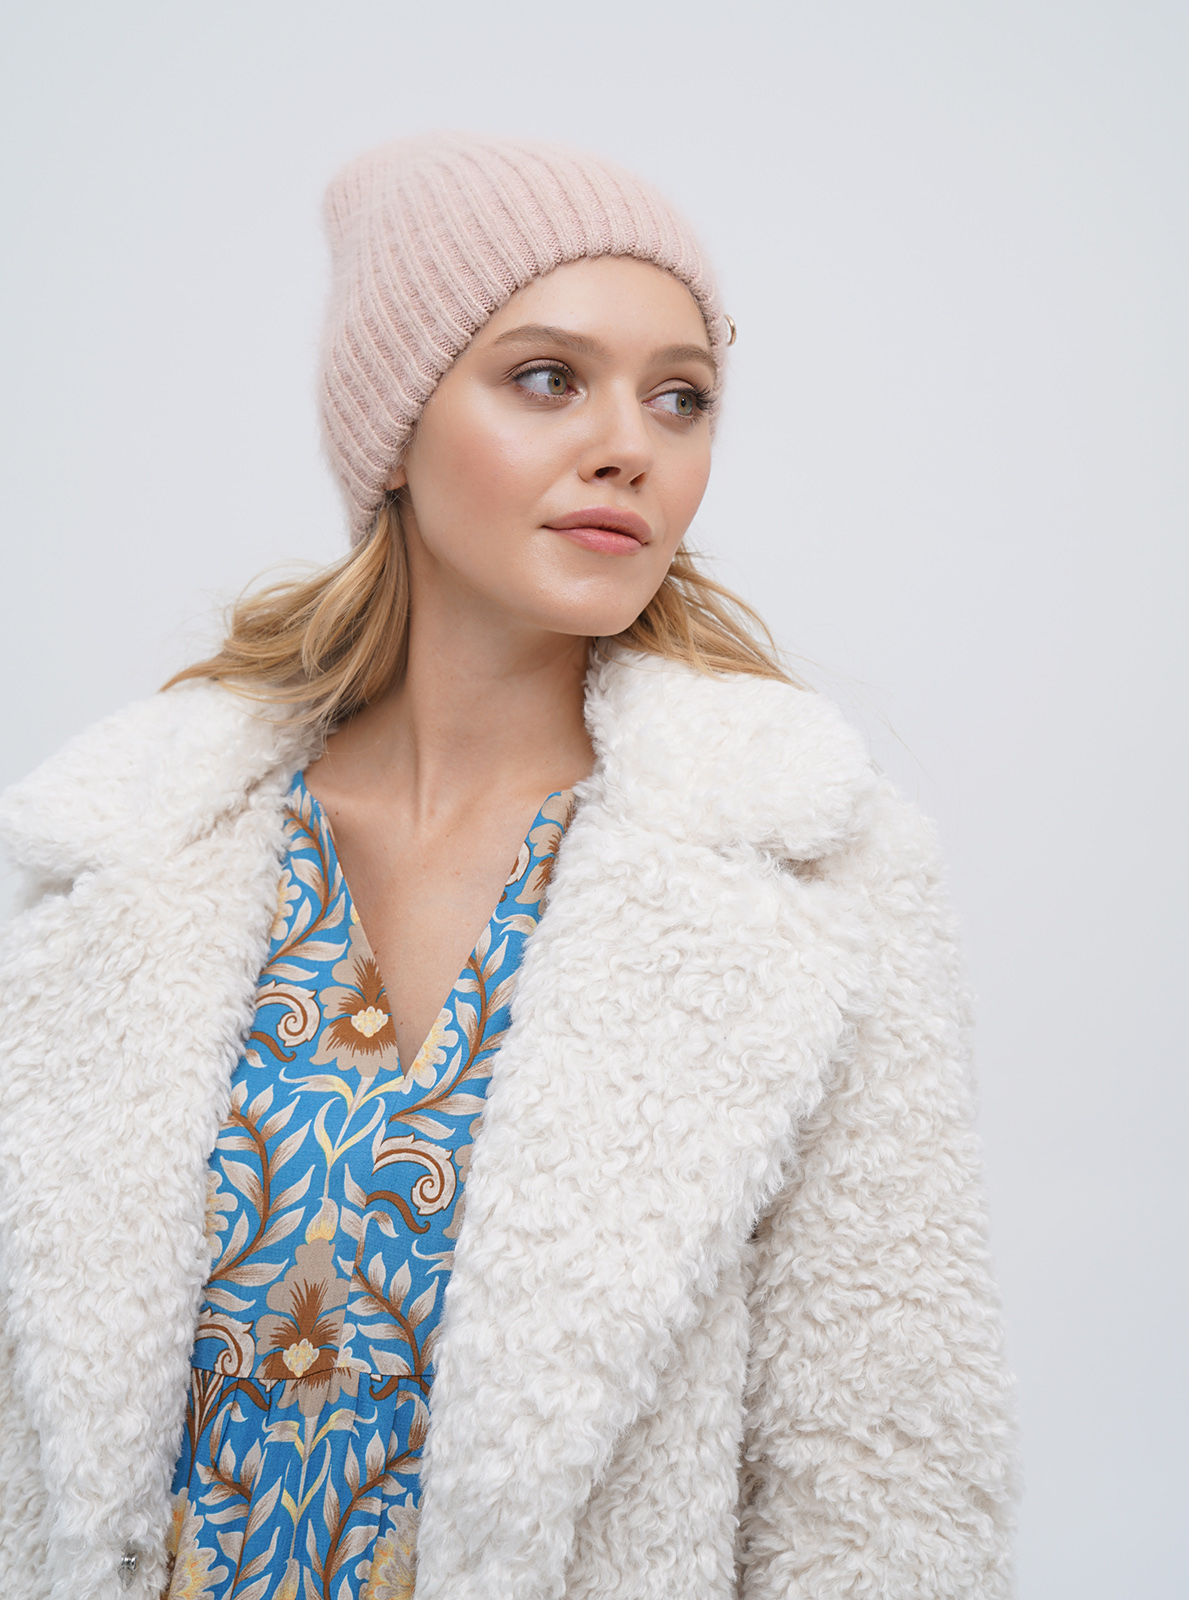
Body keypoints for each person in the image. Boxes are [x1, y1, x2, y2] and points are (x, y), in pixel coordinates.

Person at [0, 133, 1018, 1600]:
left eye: (681, 396)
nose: (630, 445)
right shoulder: (133, 855)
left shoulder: (816, 872)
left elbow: (887, 1481)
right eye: (548, 378)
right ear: (395, 428)